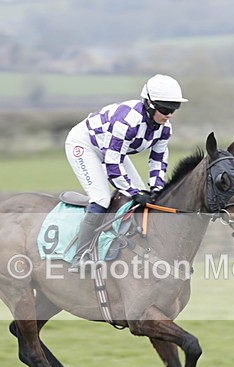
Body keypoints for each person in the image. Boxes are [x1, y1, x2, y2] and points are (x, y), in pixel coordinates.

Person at [64, 73, 188, 272]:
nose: (169, 114)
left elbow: (158, 159)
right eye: (165, 109)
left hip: (112, 149)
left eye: (174, 108)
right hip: (85, 145)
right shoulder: (127, 122)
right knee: (102, 198)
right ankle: (80, 255)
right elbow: (112, 166)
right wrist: (135, 193)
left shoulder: (165, 128)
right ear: (149, 104)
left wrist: (157, 188)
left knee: (143, 196)